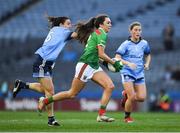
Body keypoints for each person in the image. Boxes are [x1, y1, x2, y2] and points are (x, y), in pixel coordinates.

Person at [37, 14, 123, 122]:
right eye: (108, 23)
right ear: (101, 24)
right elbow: (101, 54)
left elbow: (95, 53)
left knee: (110, 86)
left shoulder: (97, 33)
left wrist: (106, 64)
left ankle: (101, 115)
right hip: (85, 65)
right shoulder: (101, 34)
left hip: (93, 65)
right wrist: (113, 63)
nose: (110, 24)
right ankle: (45, 101)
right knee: (72, 93)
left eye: (110, 22)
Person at [12, 16, 77, 126]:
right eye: (68, 23)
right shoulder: (62, 31)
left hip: (46, 62)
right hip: (43, 62)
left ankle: (22, 85)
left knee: (46, 90)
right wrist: (89, 26)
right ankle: (51, 119)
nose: (70, 26)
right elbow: (77, 35)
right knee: (50, 92)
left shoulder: (55, 30)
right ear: (61, 25)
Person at [115, 21, 151, 123]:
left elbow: (148, 54)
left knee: (141, 98)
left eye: (139, 30)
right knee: (132, 97)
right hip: (127, 72)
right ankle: (127, 117)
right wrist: (128, 64)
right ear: (130, 31)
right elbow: (117, 58)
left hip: (139, 73)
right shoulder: (125, 44)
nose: (138, 32)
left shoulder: (144, 43)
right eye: (135, 30)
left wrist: (147, 64)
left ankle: (126, 94)